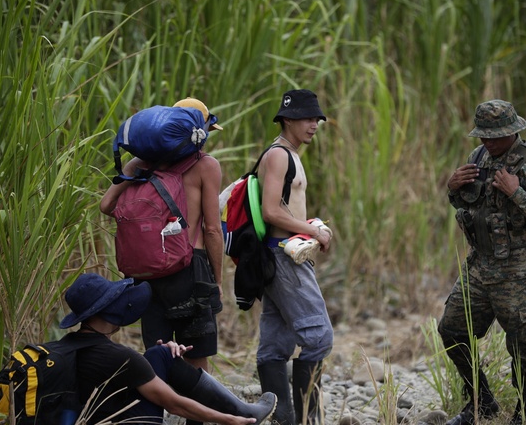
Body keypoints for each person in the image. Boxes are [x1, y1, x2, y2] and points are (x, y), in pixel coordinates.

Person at [440, 100, 526, 425]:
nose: (488, 142)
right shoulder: (477, 159)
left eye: (496, 136)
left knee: (525, 344)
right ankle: (481, 403)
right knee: (452, 330)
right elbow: (468, 202)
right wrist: (452, 189)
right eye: (484, 136)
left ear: (512, 131)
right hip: (480, 265)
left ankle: (525, 414)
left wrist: (516, 193)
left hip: (519, 270)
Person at [100, 98, 225, 391]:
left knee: (157, 355)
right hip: (189, 269)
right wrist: (217, 280)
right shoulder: (206, 165)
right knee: (196, 359)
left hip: (147, 273)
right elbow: (211, 229)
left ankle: (153, 415)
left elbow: (106, 205)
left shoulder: (138, 163)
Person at [59, 273, 277, 424]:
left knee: (159, 353)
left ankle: (241, 408)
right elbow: (174, 405)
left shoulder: (67, 346)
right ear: (109, 310)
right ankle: (242, 414)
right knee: (159, 358)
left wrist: (157, 358)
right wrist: (229, 421)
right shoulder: (118, 356)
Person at [255, 89, 334, 425]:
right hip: (284, 259)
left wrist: (308, 225)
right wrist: (313, 230)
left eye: (316, 118)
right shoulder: (278, 156)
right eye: (306, 117)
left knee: (275, 344)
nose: (313, 124)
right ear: (287, 119)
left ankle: (282, 417)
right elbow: (270, 211)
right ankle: (305, 418)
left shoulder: (290, 154)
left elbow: (283, 209)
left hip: (281, 257)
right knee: (319, 338)